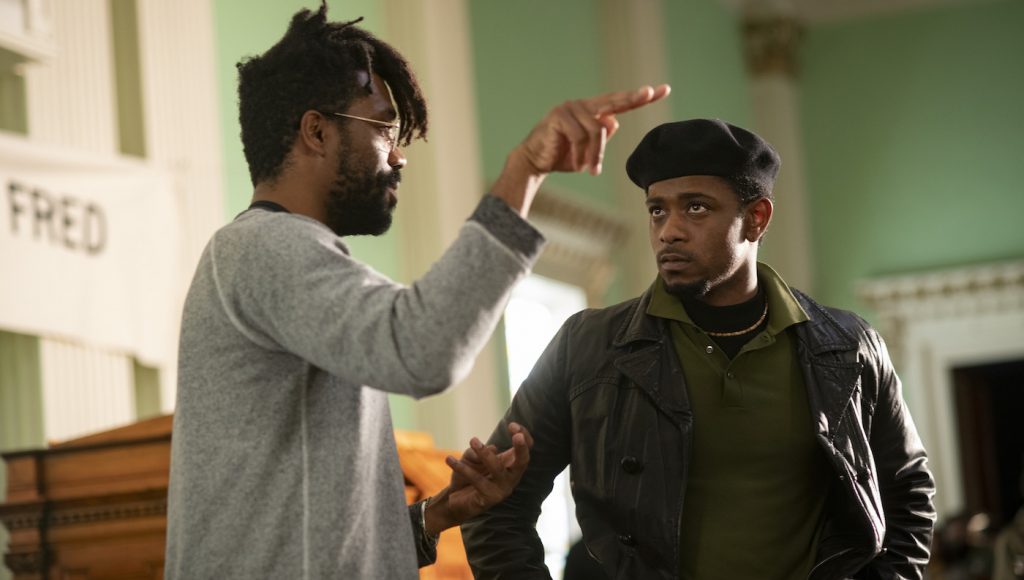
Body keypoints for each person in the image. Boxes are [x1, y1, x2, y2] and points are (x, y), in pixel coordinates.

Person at [163, 3, 669, 579]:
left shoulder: (277, 259)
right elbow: (423, 347)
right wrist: (525, 170)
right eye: (384, 127)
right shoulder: (264, 248)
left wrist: (437, 514)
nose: (400, 154)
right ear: (317, 130)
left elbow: (305, 542)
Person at [461, 118, 937, 579]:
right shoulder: (587, 346)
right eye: (657, 210)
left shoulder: (847, 347)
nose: (669, 230)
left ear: (756, 218)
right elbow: (493, 502)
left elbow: (908, 492)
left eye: (696, 208)